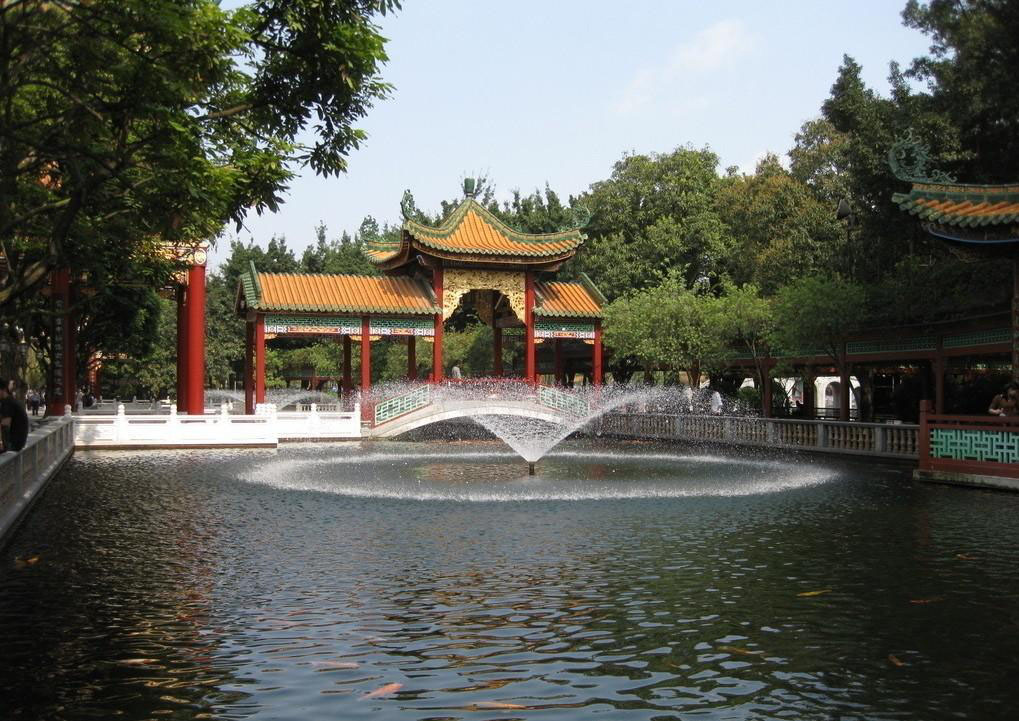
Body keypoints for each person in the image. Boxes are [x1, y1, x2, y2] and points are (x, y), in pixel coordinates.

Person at [0, 378, 29, 453]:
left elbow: (5, 426)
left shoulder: (7, 403)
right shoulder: (11, 400)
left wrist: (4, 445)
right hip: (19, 441)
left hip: (14, 444)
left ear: (3, 390)